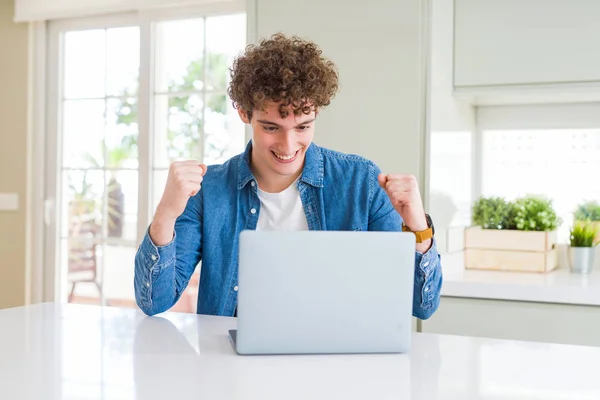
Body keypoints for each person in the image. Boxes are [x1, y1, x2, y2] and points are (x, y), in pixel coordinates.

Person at [134, 33, 442, 319]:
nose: (287, 145)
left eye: (302, 127)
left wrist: (417, 227)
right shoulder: (209, 190)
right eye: (271, 128)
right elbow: (154, 302)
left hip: (338, 364)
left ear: (316, 113)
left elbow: (420, 305)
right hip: (232, 369)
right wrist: (166, 213)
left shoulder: (362, 183)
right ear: (244, 113)